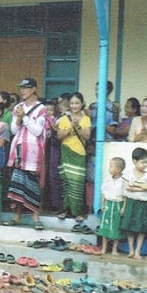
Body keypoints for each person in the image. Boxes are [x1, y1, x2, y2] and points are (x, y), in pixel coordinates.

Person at [4, 78, 47, 230]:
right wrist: (18, 118)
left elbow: (37, 131)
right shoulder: (18, 107)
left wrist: (25, 118)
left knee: (32, 183)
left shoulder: (41, 108)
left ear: (33, 89)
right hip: (19, 148)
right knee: (18, 183)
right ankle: (16, 216)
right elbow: (14, 130)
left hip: (34, 150)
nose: (22, 90)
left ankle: (35, 217)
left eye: (26, 87)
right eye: (21, 87)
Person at [56, 92, 91, 223]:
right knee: (66, 182)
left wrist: (78, 126)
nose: (74, 106)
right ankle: (64, 210)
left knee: (77, 183)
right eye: (72, 103)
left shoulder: (86, 119)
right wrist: (70, 126)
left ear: (82, 104)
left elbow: (87, 136)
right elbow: (59, 136)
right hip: (66, 152)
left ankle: (77, 212)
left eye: (77, 103)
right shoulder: (64, 119)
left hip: (79, 153)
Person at [120, 147, 147, 259]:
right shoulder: (128, 174)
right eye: (142, 162)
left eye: (146, 162)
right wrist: (124, 207)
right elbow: (126, 189)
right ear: (134, 161)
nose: (145, 165)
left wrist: (136, 185)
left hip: (143, 204)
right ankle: (131, 250)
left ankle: (137, 251)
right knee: (130, 227)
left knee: (141, 229)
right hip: (131, 203)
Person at [97, 157, 126, 255]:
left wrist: (123, 207)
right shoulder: (107, 180)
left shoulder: (123, 181)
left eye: (111, 166)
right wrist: (103, 204)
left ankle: (114, 249)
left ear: (118, 169)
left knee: (116, 227)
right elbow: (104, 193)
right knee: (105, 227)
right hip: (108, 205)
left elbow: (125, 196)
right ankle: (104, 248)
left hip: (118, 205)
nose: (109, 168)